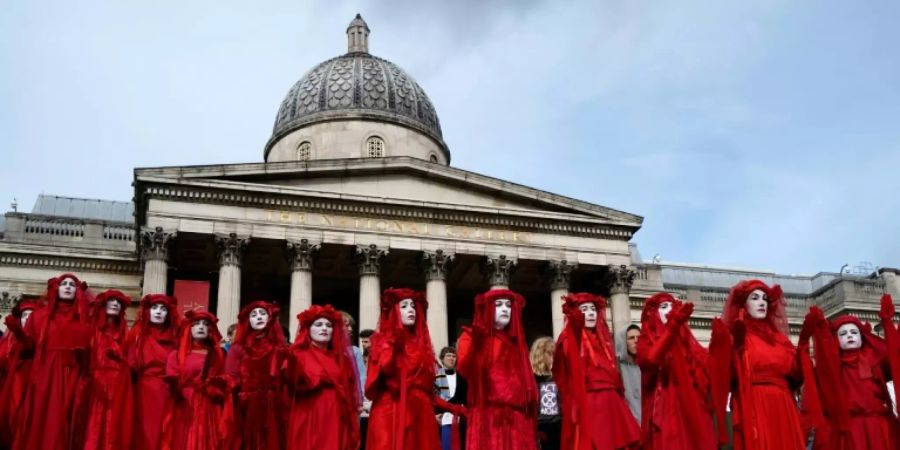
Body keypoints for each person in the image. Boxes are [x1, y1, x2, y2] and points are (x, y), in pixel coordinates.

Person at [709, 279, 806, 450]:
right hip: (755, 403)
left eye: (764, 299)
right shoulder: (736, 336)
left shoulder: (780, 340)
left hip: (783, 406)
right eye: (754, 298)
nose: (761, 302)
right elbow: (724, 377)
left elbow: (796, 375)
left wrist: (804, 342)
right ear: (744, 305)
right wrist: (734, 350)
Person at [366, 288, 463, 450]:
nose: (411, 310)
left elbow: (426, 391)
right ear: (394, 311)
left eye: (412, 306)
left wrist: (452, 408)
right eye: (404, 306)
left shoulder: (421, 346)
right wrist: (392, 345)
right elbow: (374, 385)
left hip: (421, 414)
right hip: (391, 412)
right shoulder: (381, 342)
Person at [799, 296, 900, 450]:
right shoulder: (830, 368)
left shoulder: (875, 361)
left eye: (854, 332)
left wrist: (888, 325)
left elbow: (896, 362)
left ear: (862, 337)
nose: (850, 335)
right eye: (843, 333)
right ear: (836, 340)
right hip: (849, 432)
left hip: (878, 428)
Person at [553, 292, 640, 450]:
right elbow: (569, 363)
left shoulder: (603, 342)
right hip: (590, 405)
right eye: (584, 309)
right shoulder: (568, 338)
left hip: (613, 406)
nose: (591, 313)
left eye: (593, 309)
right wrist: (575, 326)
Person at [15, 273, 93, 450]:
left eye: (72, 284)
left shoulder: (85, 323)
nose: (67, 286)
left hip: (71, 377)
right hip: (45, 375)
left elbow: (90, 355)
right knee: (42, 418)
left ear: (78, 291)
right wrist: (19, 334)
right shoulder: (39, 317)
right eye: (63, 283)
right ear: (56, 288)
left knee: (65, 420)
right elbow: (27, 350)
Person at [458, 288, 537, 450]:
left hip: (517, 418)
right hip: (488, 416)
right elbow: (465, 369)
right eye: (499, 304)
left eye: (508, 305)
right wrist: (476, 346)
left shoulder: (517, 344)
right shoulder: (471, 336)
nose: (504, 309)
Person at [637, 293, 715, 450]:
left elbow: (707, 368)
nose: (670, 310)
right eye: (664, 307)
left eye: (672, 306)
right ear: (654, 314)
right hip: (665, 404)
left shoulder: (687, 342)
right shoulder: (645, 340)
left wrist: (720, 342)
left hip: (691, 405)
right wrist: (673, 326)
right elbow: (651, 359)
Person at [284, 304, 360, 450]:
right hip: (309, 414)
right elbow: (292, 384)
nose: (324, 328)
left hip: (336, 414)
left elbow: (350, 390)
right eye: (318, 324)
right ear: (308, 329)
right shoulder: (298, 356)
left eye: (328, 325)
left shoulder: (341, 358)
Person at [162, 310, 231, 450]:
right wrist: (175, 385)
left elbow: (225, 379)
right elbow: (171, 382)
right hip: (185, 404)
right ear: (189, 328)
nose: (201, 327)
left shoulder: (218, 355)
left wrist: (217, 384)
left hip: (209, 405)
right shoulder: (176, 355)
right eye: (196, 324)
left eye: (205, 324)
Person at [225, 300, 287, 450]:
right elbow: (231, 375)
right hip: (246, 405)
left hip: (274, 404)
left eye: (263, 313)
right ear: (248, 320)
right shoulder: (238, 347)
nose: (258, 317)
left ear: (270, 317)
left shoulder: (279, 347)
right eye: (254, 314)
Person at [127, 294, 180, 450]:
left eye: (163, 309)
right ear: (147, 311)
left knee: (168, 430)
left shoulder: (176, 336)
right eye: (154, 308)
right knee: (145, 431)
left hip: (169, 391)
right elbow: (131, 364)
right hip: (144, 391)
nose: (158, 312)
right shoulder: (138, 334)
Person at [82, 290, 134, 450]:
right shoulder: (92, 329)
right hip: (95, 384)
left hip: (117, 385)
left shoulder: (126, 333)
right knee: (92, 423)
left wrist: (121, 360)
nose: (115, 304)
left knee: (113, 425)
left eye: (119, 302)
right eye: (112, 300)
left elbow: (132, 362)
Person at [0, 299, 43, 447]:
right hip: (12, 385)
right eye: (25, 315)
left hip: (33, 385)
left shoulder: (42, 340)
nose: (28, 319)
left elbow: (28, 345)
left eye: (32, 315)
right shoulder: (9, 341)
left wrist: (18, 332)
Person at [531, 337, 561, 450]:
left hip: (560, 426)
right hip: (542, 428)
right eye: (551, 354)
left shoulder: (560, 378)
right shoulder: (533, 379)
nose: (554, 358)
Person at [436, 346, 467, 450]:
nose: (451, 358)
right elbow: (433, 398)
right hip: (444, 418)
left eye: (454, 356)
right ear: (442, 358)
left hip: (460, 418)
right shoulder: (435, 377)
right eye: (448, 355)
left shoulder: (462, 377)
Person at [615, 324, 642, 421]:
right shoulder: (616, 367)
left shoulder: (647, 366)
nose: (636, 341)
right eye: (631, 338)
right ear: (623, 341)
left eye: (639, 337)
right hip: (629, 425)